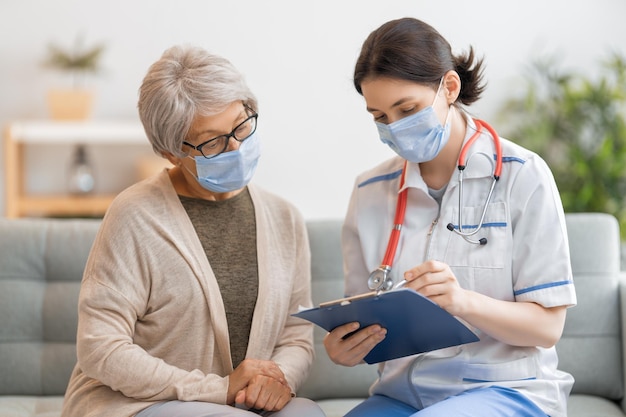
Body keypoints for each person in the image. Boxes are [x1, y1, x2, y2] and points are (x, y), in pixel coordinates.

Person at [323, 17, 577, 417]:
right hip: (401, 396)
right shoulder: (369, 191)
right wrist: (346, 349)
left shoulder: (522, 175)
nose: (396, 127)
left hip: (509, 390)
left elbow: (547, 328)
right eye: (380, 116)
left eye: (407, 109)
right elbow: (363, 317)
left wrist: (463, 302)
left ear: (450, 87)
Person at [61, 45, 325, 417]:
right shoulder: (134, 215)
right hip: (138, 403)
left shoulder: (285, 218)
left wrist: (275, 380)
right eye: (212, 141)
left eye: (242, 125)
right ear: (171, 152)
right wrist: (218, 389)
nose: (236, 146)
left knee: (307, 414)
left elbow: (296, 337)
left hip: (243, 406)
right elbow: (100, 347)